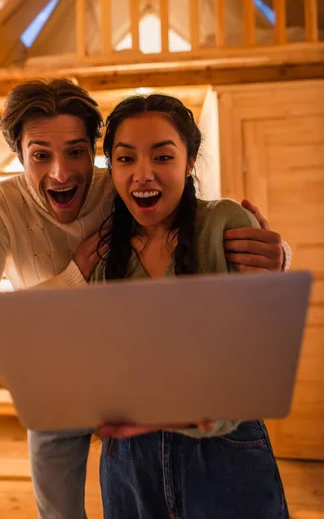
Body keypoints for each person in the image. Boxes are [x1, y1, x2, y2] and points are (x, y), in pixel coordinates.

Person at [0, 79, 289, 519]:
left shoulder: (123, 186)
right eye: (41, 154)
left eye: (76, 151)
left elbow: (208, 229)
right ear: (19, 156)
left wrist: (276, 256)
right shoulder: (0, 206)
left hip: (148, 394)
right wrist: (73, 277)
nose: (62, 172)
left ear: (94, 151)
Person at [91, 92, 289, 519]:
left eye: (162, 157)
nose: (143, 174)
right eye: (125, 160)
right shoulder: (103, 252)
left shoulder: (227, 223)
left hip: (224, 447)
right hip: (128, 460)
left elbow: (256, 348)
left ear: (190, 160)